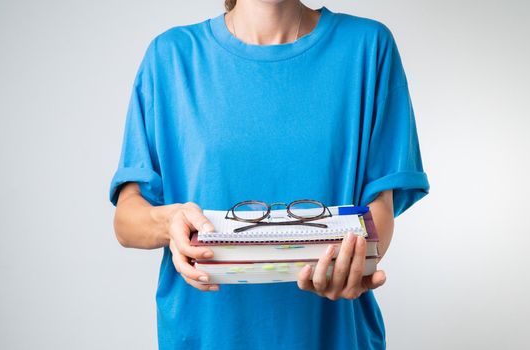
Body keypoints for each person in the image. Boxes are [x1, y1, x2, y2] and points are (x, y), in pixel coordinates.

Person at [109, 0, 430, 349]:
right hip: (205, 335)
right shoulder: (171, 57)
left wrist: (356, 261)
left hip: (333, 336)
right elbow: (127, 218)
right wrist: (169, 221)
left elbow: (379, 205)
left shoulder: (368, 46)